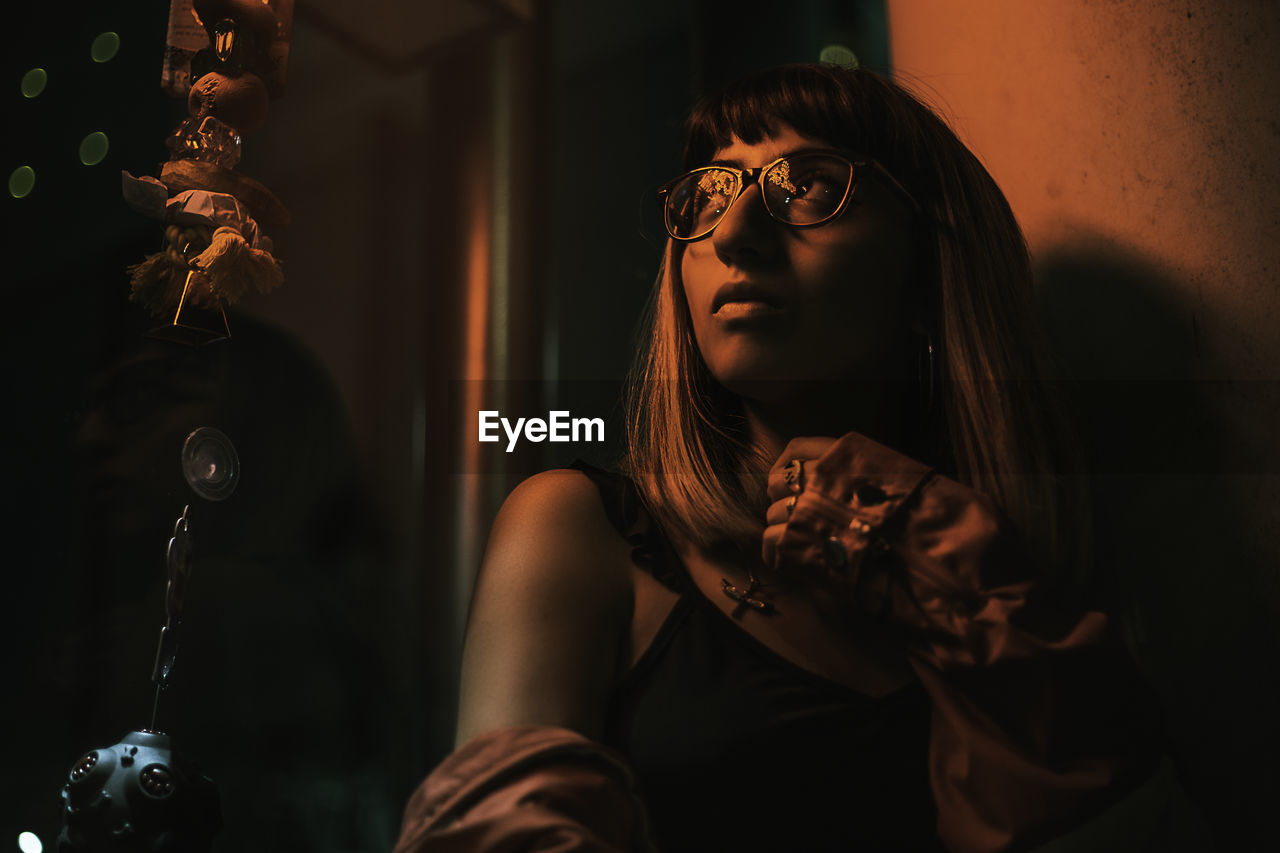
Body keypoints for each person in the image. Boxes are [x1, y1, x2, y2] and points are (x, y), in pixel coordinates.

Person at [394, 63, 1201, 852]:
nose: (736, 232)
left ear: (927, 268)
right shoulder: (580, 526)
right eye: (709, 193)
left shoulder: (1001, 583)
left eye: (809, 184)